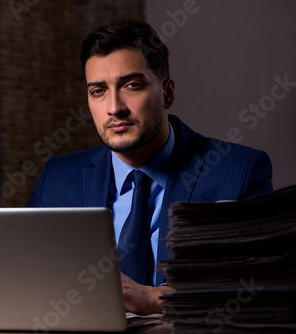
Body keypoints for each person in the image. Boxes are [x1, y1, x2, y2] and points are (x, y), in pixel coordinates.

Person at [26, 19, 273, 315]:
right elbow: (26, 275)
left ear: (167, 92)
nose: (114, 107)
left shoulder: (240, 171)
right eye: (98, 91)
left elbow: (264, 285)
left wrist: (156, 298)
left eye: (132, 85)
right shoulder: (58, 177)